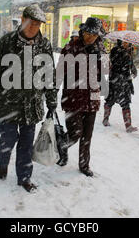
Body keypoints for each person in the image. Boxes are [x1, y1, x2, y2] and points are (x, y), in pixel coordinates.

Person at [0, 4, 57, 193]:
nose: (34, 28)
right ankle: (3, 162)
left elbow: (49, 75)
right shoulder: (7, 42)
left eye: (38, 25)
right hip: (9, 102)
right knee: (8, 138)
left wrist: (52, 99)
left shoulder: (44, 45)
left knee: (26, 143)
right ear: (22, 20)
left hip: (32, 104)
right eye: (31, 23)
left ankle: (24, 177)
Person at [56, 17, 105, 177]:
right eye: (88, 33)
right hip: (73, 98)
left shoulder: (100, 48)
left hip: (92, 98)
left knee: (87, 136)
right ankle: (62, 146)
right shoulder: (71, 47)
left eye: (94, 34)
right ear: (82, 31)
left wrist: (99, 58)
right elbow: (59, 71)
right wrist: (53, 90)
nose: (91, 37)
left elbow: (106, 71)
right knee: (75, 133)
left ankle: (84, 165)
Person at [103, 40, 138, 133]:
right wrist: (125, 55)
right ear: (119, 42)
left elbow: (129, 64)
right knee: (110, 101)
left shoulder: (129, 51)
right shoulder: (115, 50)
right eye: (124, 42)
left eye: (127, 42)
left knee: (126, 103)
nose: (125, 44)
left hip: (125, 82)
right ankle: (105, 119)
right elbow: (115, 63)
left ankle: (128, 126)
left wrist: (133, 68)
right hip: (115, 80)